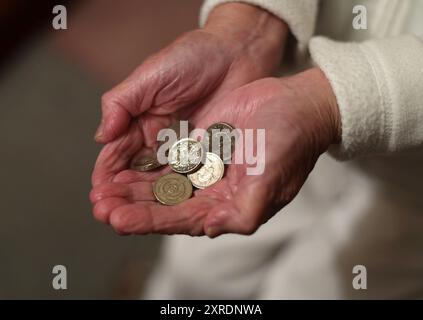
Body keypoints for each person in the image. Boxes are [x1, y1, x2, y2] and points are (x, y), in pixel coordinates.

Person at [90, 0, 423, 299]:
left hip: (413, 191)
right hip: (284, 105)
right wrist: (249, 23)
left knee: (311, 289)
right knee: (197, 267)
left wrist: (331, 103)